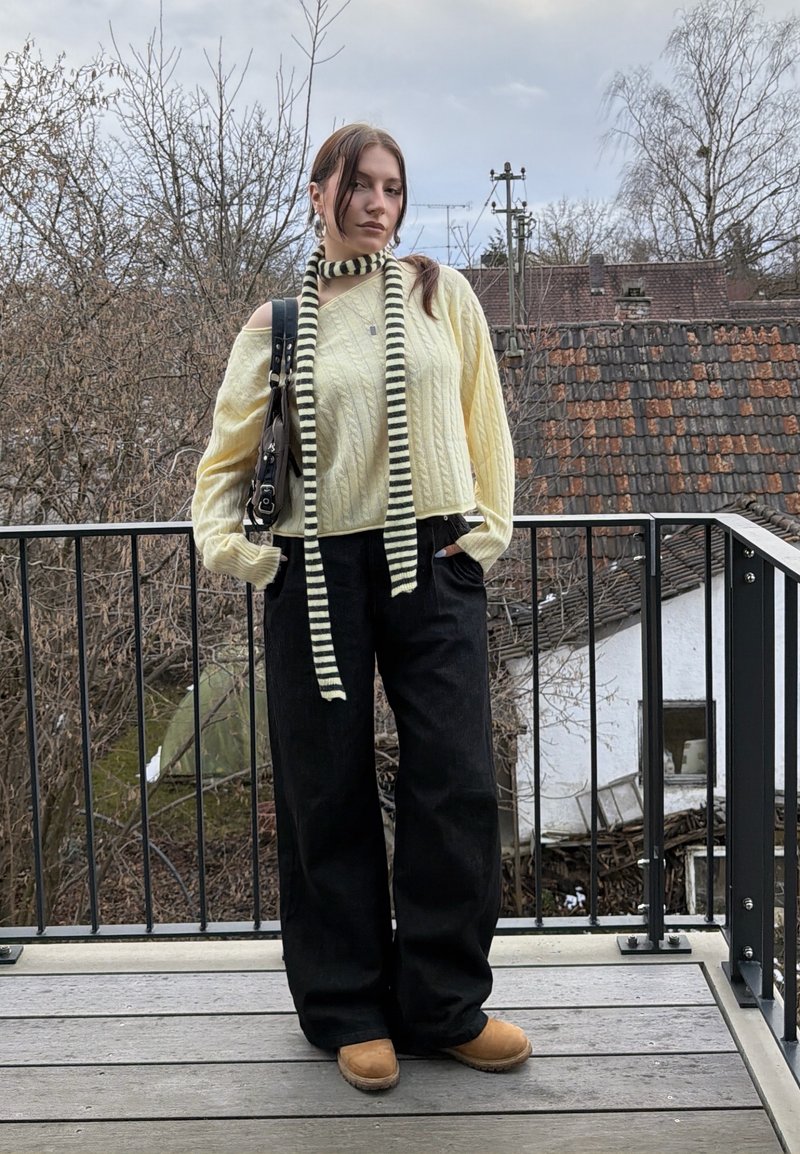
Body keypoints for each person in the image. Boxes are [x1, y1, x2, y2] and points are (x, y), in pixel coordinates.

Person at [191, 123, 531, 1092]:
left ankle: (442, 1003)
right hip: (315, 570)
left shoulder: (439, 293)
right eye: (359, 184)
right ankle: (346, 1005)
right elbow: (219, 470)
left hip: (432, 556)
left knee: (455, 780)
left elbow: (483, 416)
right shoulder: (277, 325)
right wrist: (250, 559)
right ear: (317, 192)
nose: (378, 202)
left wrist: (488, 529)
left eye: (392, 186)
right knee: (324, 789)